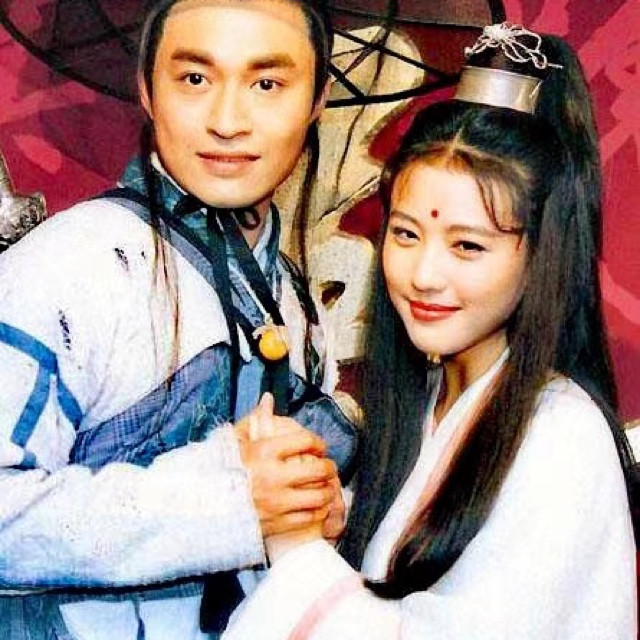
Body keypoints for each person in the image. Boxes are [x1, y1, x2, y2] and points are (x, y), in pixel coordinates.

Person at [221, 23, 638, 639]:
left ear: (541, 257)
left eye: (467, 245)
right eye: (406, 233)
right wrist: (328, 525)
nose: (423, 274)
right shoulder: (429, 401)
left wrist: (299, 551)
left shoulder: (562, 435)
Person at [0, 0, 357, 638]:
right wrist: (229, 504)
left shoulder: (292, 295)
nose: (227, 121)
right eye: (195, 78)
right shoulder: (70, 264)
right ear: (147, 89)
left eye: (267, 83)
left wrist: (321, 507)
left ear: (317, 100)